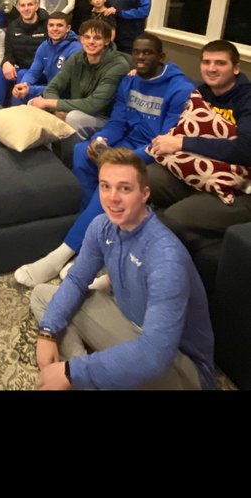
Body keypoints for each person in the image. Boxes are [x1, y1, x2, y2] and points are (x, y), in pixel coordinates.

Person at [15, 32, 193, 286]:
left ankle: (64, 252)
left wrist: (123, 157)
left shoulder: (180, 89)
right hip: (126, 141)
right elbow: (117, 122)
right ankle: (93, 232)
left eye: (148, 53)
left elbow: (164, 141)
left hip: (150, 152)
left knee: (113, 174)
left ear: (161, 56)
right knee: (82, 151)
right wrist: (101, 141)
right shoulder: (129, 81)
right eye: (137, 52)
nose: (141, 57)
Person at [30, 148, 215, 391]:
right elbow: (76, 280)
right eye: (105, 186)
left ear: (144, 194)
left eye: (125, 188)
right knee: (42, 296)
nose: (112, 198)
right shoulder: (101, 226)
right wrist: (47, 333)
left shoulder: (166, 257)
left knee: (134, 358)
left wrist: (71, 373)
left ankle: (82, 374)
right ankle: (82, 369)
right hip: (131, 326)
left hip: (179, 367)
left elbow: (154, 356)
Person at [148, 39, 251, 247]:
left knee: (173, 219)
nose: (211, 69)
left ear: (236, 68)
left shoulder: (247, 99)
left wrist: (183, 143)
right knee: (132, 179)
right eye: (206, 62)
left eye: (220, 63)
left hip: (235, 187)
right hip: (195, 171)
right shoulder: (201, 94)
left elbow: (245, 149)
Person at [28, 18, 130, 137]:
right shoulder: (77, 58)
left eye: (97, 38)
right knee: (33, 103)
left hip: (106, 119)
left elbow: (93, 105)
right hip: (78, 110)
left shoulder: (118, 65)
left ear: (107, 41)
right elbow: (52, 88)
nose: (91, 42)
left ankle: (69, 149)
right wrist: (58, 110)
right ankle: (47, 148)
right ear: (81, 39)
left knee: (73, 117)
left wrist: (51, 103)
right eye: (87, 37)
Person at [0, 0, 48, 106]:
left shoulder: (47, 25)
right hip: (21, 67)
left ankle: (16, 112)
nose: (26, 9)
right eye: (22, 5)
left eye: (30, 5)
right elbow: (9, 52)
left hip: (41, 71)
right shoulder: (12, 27)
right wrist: (6, 62)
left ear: (36, 6)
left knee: (22, 73)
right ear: (17, 7)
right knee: (1, 71)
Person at [11, 14, 82, 105]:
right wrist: (23, 85)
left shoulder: (76, 49)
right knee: (21, 84)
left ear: (68, 28)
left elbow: (63, 86)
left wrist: (31, 90)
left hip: (66, 95)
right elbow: (33, 72)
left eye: (59, 25)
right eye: (51, 25)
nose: (55, 29)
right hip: (50, 89)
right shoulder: (44, 46)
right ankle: (15, 111)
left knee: (29, 93)